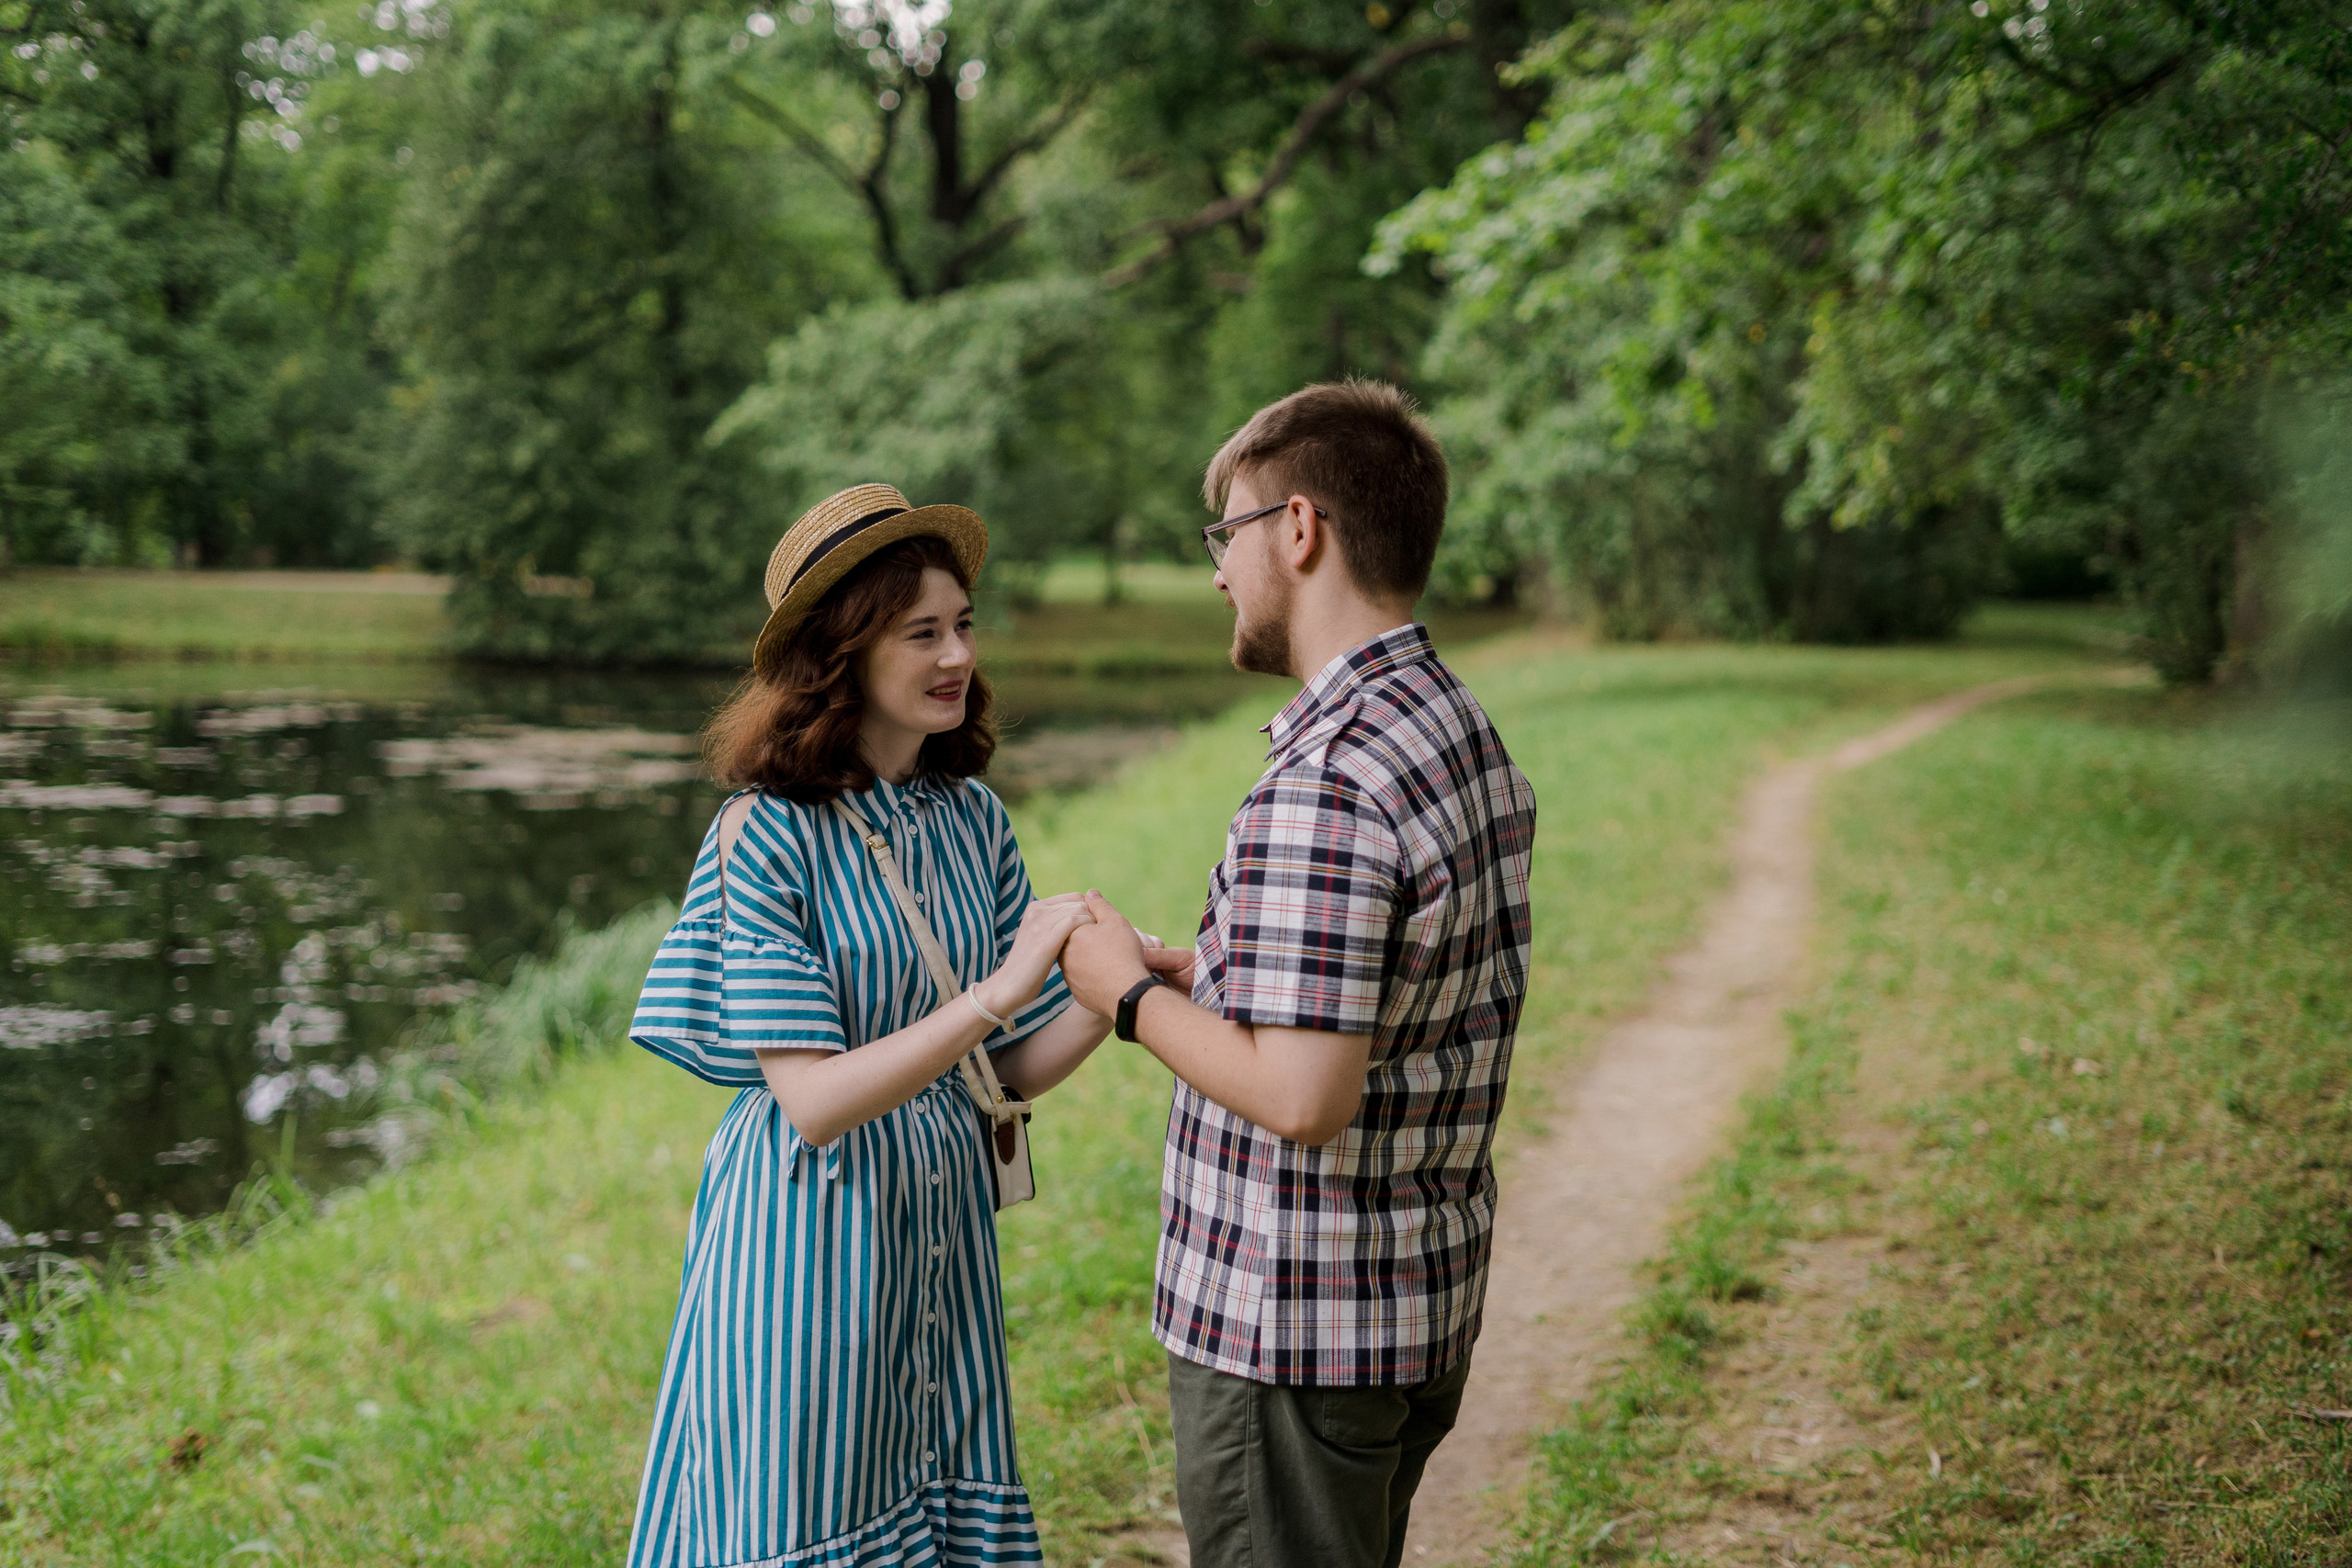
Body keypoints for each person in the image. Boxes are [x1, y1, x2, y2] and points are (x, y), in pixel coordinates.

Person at [1058, 381, 1539, 1568]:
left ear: (1300, 529)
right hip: (1406, 1308)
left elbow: (1301, 1097)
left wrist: (1126, 994)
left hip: (1293, 1334)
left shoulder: (1327, 780)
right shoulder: (1450, 725)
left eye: (1226, 534)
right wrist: (1218, 972)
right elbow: (1402, 990)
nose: (1220, 572)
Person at [622, 484, 1125, 1568]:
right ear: (840, 654)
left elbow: (1001, 1074)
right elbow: (811, 1101)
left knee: (931, 1499)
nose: (958, 657)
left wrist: (1109, 999)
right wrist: (995, 991)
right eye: (921, 633)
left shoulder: (971, 818)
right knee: (812, 1515)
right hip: (809, 1235)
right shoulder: (765, 835)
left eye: (964, 624)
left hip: (938, 1232)